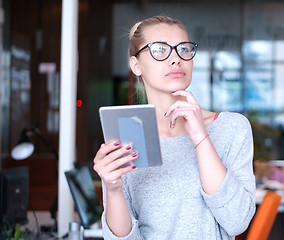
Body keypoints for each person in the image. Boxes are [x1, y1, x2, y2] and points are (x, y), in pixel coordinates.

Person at [93, 16, 256, 239]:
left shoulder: (231, 128)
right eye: (160, 50)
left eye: (184, 49)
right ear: (136, 65)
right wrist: (112, 188)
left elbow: (238, 222)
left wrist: (201, 139)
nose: (176, 59)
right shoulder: (127, 138)